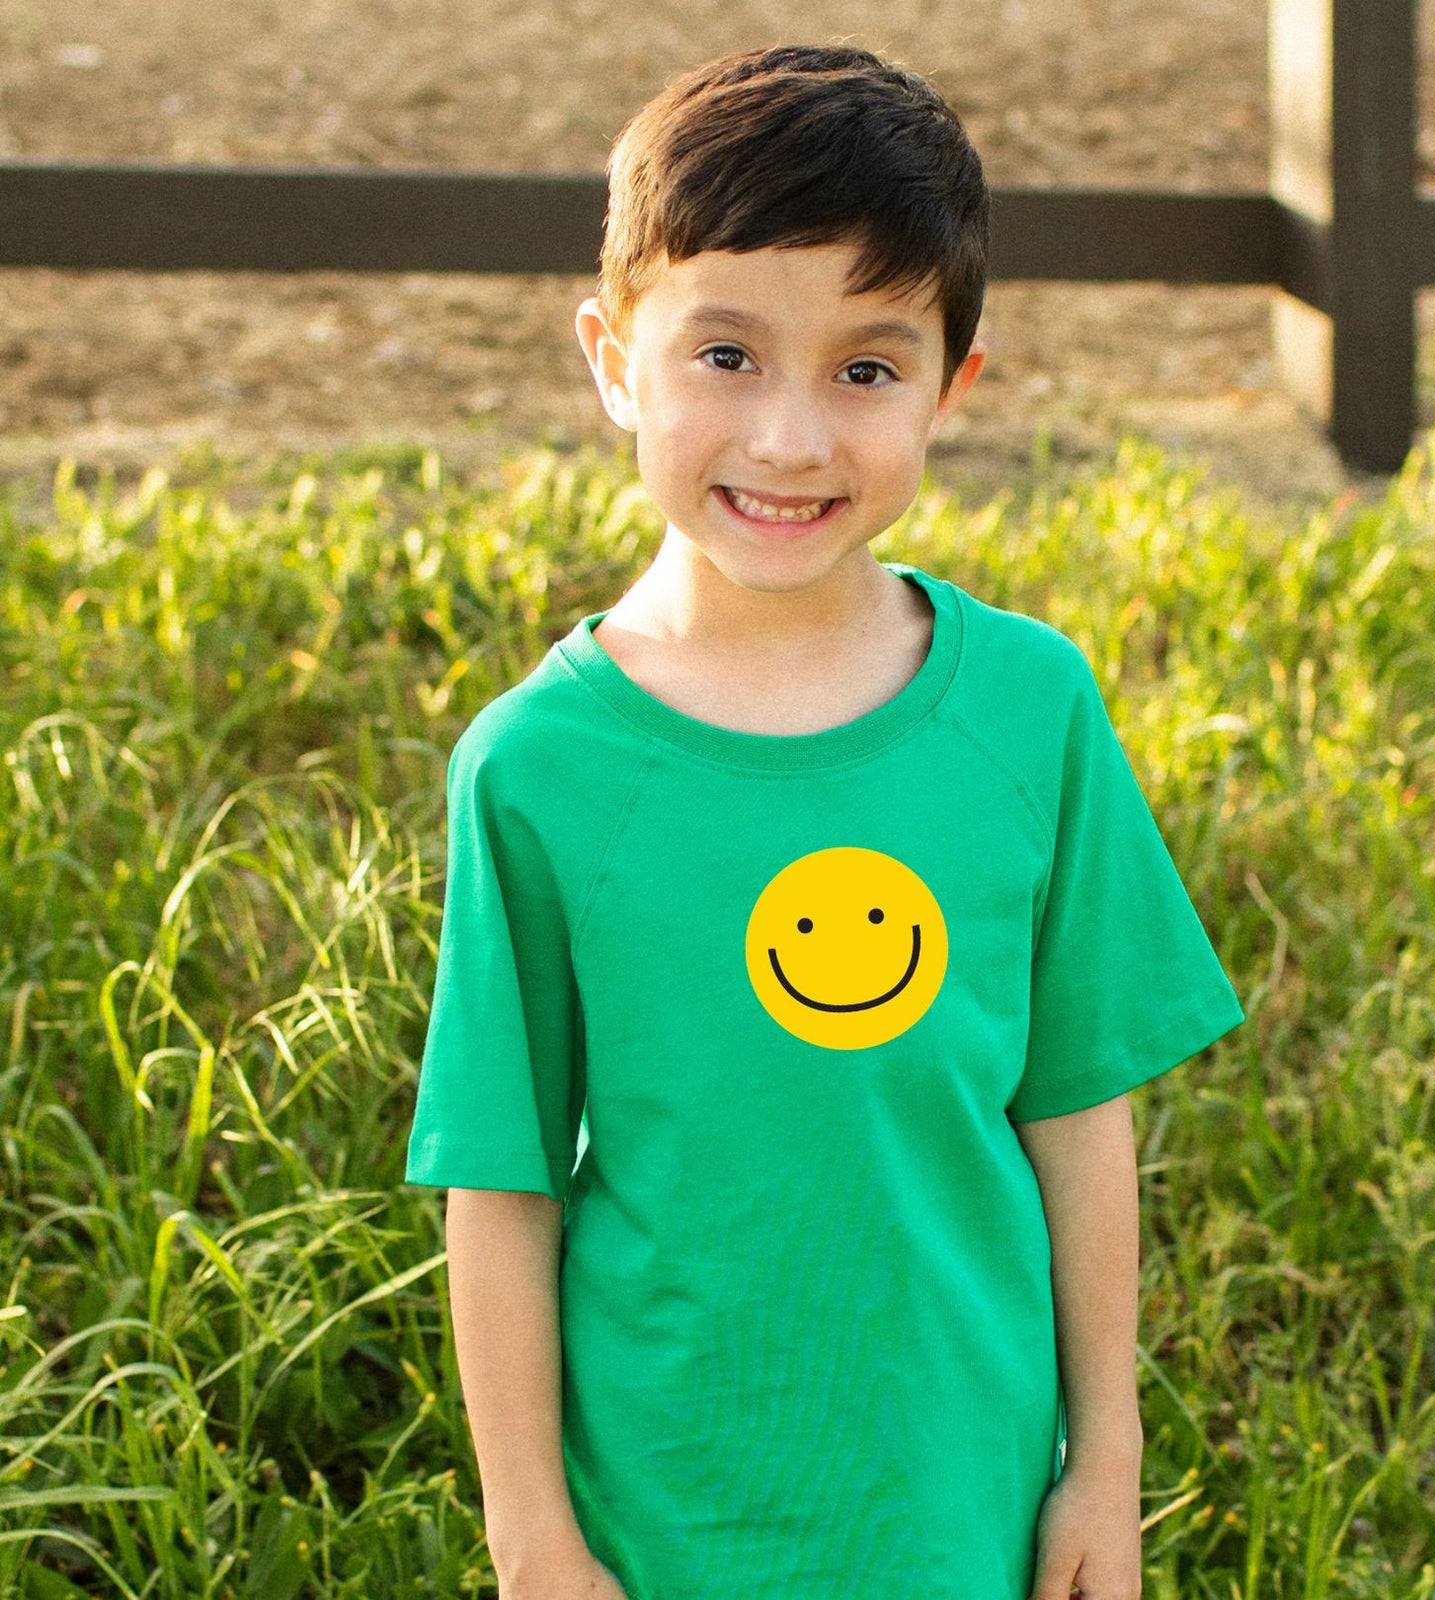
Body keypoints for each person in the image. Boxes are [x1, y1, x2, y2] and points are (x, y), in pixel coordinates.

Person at [404, 41, 1245, 1600]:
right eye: (725, 356)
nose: (791, 441)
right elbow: (500, 1180)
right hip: (664, 1515)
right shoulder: (537, 767)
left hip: (962, 1500)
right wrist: (534, 1544)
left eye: (866, 369)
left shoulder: (1029, 712)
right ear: (611, 359)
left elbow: (1075, 1115)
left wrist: (1103, 1462)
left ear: (952, 389)